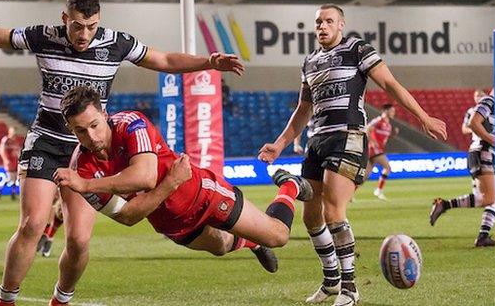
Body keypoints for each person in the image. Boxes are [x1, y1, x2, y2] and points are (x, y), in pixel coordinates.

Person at [0, 0, 244, 306]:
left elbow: (165, 60)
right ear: (65, 19)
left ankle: (60, 300)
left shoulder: (116, 43)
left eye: (91, 27)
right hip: (47, 143)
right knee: (33, 224)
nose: (84, 34)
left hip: (91, 153)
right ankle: (5, 300)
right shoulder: (43, 37)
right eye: (78, 26)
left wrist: (209, 63)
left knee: (79, 240)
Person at [258, 4, 447, 306]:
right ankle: (331, 282)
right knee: (311, 218)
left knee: (334, 212)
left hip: (348, 137)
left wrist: (423, 117)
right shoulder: (309, 62)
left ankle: (350, 289)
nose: (322, 26)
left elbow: (390, 84)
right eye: (318, 22)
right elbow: (303, 109)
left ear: (341, 25)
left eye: (328, 21)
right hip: (317, 140)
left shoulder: (358, 49)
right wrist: (280, 144)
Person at [51, 86, 313, 299]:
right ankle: (250, 242)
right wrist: (169, 184)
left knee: (278, 236)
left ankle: (289, 185)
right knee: (221, 246)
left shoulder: (130, 124)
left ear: (104, 113)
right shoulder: (80, 168)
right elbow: (128, 217)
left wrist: (86, 186)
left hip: (203, 194)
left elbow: (144, 175)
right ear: (70, 129)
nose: (91, 136)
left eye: (95, 125)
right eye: (81, 131)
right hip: (171, 222)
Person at [430, 89, 495, 247]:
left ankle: (483, 236)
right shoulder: (490, 101)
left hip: (488, 153)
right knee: (489, 198)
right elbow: (473, 123)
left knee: (494, 197)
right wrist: (493, 140)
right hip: (483, 151)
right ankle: (444, 204)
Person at [364, 104, 399, 200]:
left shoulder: (388, 125)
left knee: (365, 175)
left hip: (378, 149)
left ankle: (349, 194)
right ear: (385, 111)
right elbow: (368, 128)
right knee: (387, 167)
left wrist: (393, 135)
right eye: (391, 111)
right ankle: (378, 190)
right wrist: (372, 142)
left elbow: (384, 138)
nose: (393, 113)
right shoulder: (379, 120)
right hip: (374, 149)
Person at [0, 126, 21, 200]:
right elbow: (1, 150)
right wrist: (6, 160)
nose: (14, 133)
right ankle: (0, 189)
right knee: (10, 178)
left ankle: (13, 193)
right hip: (9, 162)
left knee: (14, 178)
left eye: (15, 132)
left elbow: (18, 152)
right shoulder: (5, 140)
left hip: (15, 162)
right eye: (13, 131)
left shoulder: (15, 141)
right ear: (9, 132)